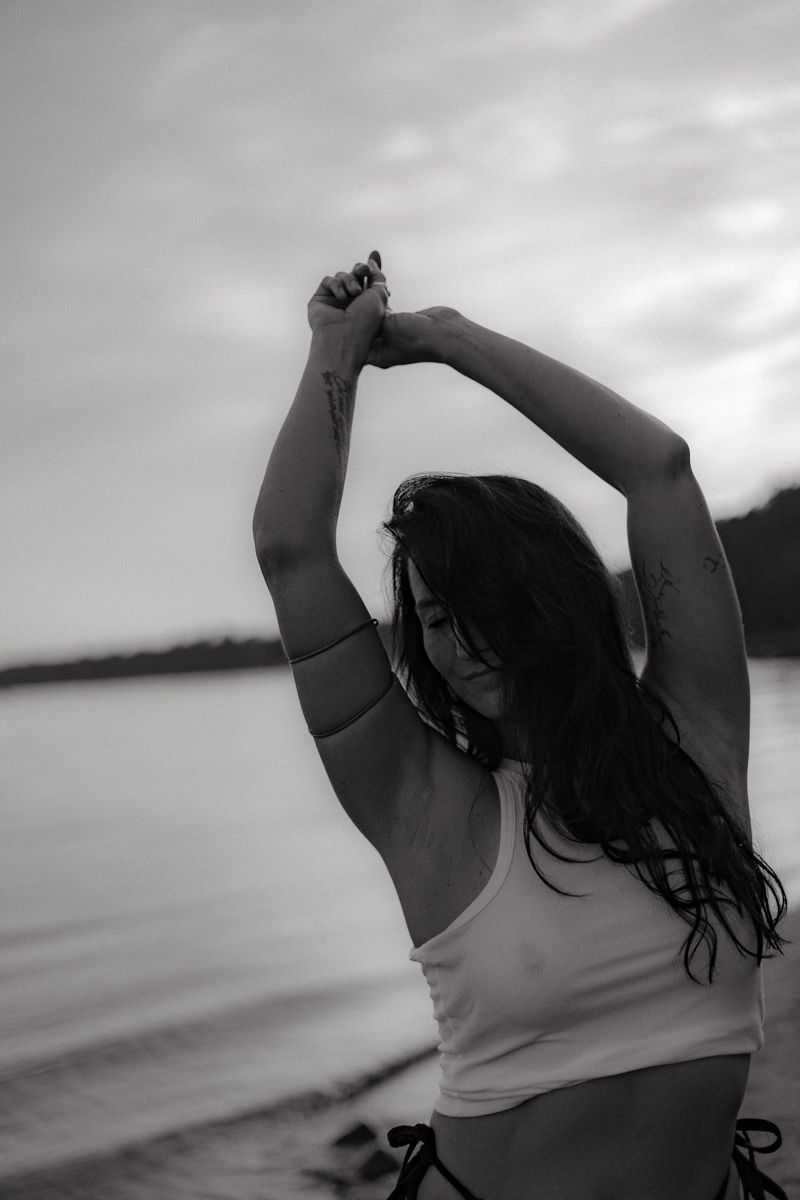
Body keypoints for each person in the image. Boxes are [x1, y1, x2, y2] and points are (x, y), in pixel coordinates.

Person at [252, 251, 790, 1200]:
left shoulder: (695, 740)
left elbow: (658, 470)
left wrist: (448, 338)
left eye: (488, 604)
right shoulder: (424, 804)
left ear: (551, 594)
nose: (466, 645)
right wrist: (336, 348)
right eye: (435, 618)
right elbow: (292, 548)